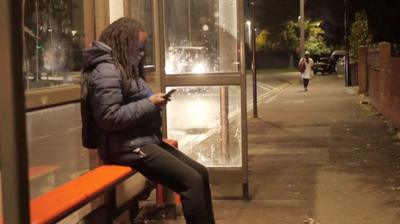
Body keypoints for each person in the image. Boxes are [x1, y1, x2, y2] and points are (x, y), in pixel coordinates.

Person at [81, 17, 215, 224]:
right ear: (124, 44)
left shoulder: (121, 66)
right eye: (139, 47)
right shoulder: (106, 71)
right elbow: (109, 117)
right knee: (191, 181)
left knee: (200, 173)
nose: (142, 53)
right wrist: (150, 104)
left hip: (141, 140)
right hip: (124, 147)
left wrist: (153, 102)